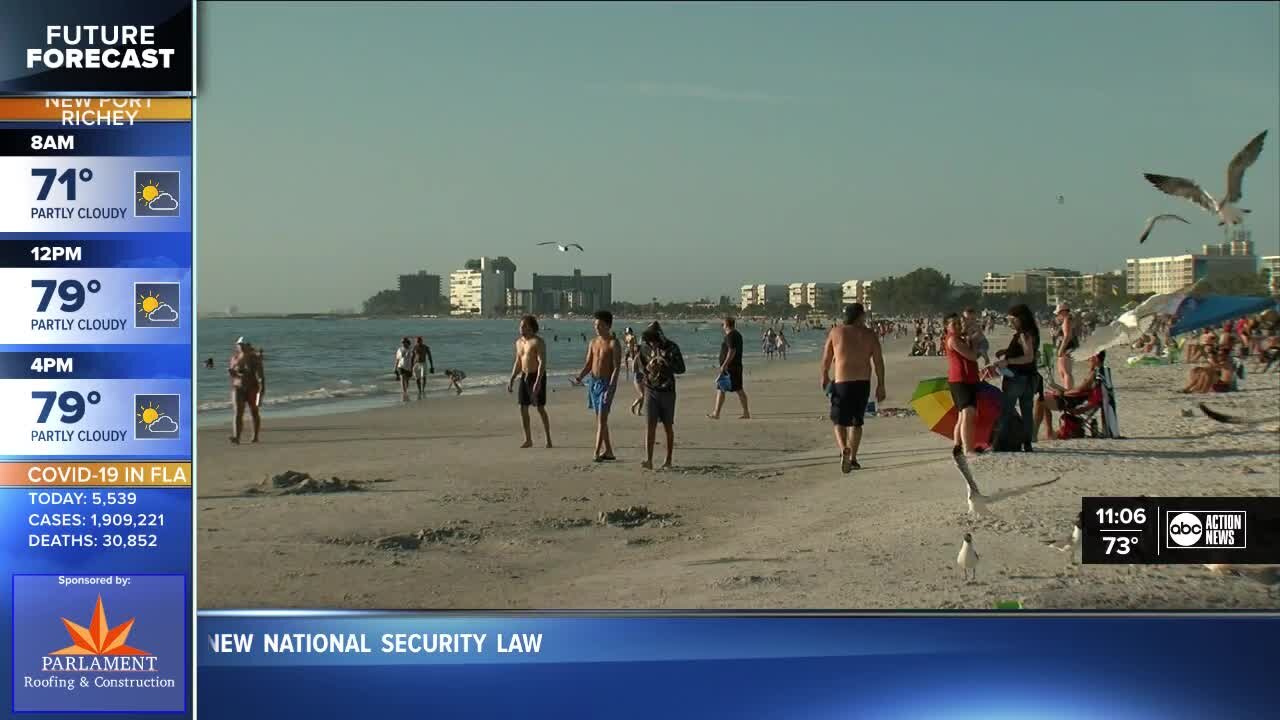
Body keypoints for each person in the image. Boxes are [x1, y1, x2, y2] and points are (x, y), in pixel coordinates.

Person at [820, 303, 886, 473]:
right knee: (857, 422)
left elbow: (826, 358)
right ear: (860, 316)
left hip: (842, 382)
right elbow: (878, 361)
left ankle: (844, 449)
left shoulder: (836, 332)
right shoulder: (870, 334)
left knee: (839, 421)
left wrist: (824, 376)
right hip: (863, 383)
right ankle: (854, 458)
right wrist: (881, 384)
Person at [634, 322, 685, 470]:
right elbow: (641, 368)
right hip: (651, 389)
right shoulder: (644, 348)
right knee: (650, 425)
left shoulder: (671, 347)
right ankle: (648, 459)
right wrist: (649, 369)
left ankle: (668, 460)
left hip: (668, 391)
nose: (652, 344)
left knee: (668, 426)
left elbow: (681, 368)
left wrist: (666, 362)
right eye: (649, 341)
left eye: (654, 340)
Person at [991, 304, 1041, 452]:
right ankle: (1027, 444)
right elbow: (1030, 353)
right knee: (1026, 411)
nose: (1011, 323)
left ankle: (1000, 443)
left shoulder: (1023, 334)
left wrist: (1007, 361)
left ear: (1021, 319)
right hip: (1030, 377)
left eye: (1013, 319)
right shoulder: (1032, 332)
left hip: (1018, 377)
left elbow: (1029, 357)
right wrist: (1007, 351)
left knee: (1007, 410)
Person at [574, 310, 623, 462]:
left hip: (606, 383)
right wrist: (580, 377)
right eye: (595, 325)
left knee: (602, 419)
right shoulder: (593, 342)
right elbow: (589, 364)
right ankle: (608, 451)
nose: (597, 327)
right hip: (593, 382)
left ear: (608, 326)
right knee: (600, 419)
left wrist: (610, 388)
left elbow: (616, 367)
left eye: (600, 325)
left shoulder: (614, 343)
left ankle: (596, 452)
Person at [1033, 352, 1103, 440]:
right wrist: (1061, 391)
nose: (1089, 359)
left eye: (1091, 357)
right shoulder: (1096, 373)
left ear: (1096, 359)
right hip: (1075, 399)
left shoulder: (1093, 374)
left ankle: (1034, 433)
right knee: (1044, 399)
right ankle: (1049, 433)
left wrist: (1063, 393)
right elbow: (1081, 391)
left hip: (1074, 401)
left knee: (1041, 400)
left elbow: (1080, 390)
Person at [508, 315, 552, 448]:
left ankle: (548, 438)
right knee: (523, 407)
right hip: (525, 377)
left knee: (540, 408)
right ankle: (528, 439)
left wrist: (538, 382)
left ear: (531, 327)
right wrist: (511, 378)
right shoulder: (519, 342)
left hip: (537, 376)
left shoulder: (537, 342)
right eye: (520, 326)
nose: (521, 328)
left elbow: (542, 363)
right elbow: (518, 362)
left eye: (524, 326)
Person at [944, 313, 982, 455]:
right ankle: (968, 448)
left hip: (965, 379)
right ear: (947, 327)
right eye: (954, 324)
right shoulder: (953, 339)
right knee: (968, 412)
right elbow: (972, 356)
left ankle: (958, 444)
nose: (958, 326)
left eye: (959, 323)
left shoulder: (958, 338)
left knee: (963, 414)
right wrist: (975, 343)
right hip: (961, 380)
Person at [709, 316, 751, 420]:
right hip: (733, 366)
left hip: (731, 368)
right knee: (721, 388)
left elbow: (732, 351)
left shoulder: (731, 336)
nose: (722, 326)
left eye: (723, 324)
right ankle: (716, 413)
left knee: (738, 390)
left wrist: (724, 365)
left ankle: (746, 413)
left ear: (727, 325)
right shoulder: (736, 334)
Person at [228, 337, 265, 445]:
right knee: (238, 412)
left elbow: (261, 376)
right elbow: (234, 374)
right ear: (237, 346)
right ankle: (236, 437)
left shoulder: (255, 359)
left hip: (253, 388)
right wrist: (234, 374)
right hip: (237, 387)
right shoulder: (234, 358)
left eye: (244, 345)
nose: (242, 347)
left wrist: (262, 391)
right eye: (240, 345)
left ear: (249, 346)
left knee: (254, 412)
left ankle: (255, 436)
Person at [393, 337, 415, 402]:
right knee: (402, 378)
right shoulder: (399, 349)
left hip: (408, 367)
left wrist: (413, 367)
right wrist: (395, 367)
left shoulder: (411, 349)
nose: (402, 343)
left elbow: (413, 359)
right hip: (401, 366)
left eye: (403, 342)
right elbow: (397, 359)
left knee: (407, 380)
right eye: (402, 342)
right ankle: (404, 392)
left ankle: (406, 390)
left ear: (407, 342)